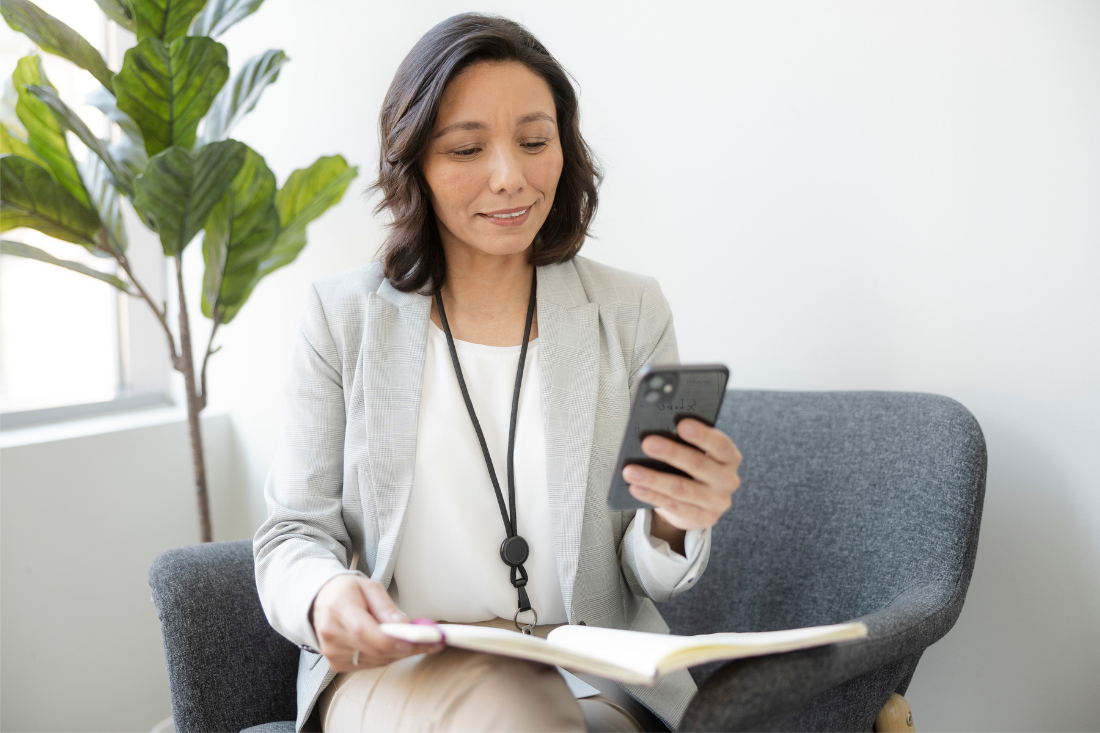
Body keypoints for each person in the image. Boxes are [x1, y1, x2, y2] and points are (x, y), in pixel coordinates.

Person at [254, 13, 742, 733]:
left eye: (535, 141)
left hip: (589, 672)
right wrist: (326, 594)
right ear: (413, 159)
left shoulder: (629, 310)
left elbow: (642, 571)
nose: (510, 176)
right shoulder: (342, 318)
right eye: (467, 148)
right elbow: (293, 531)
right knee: (512, 710)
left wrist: (675, 515)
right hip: (401, 669)